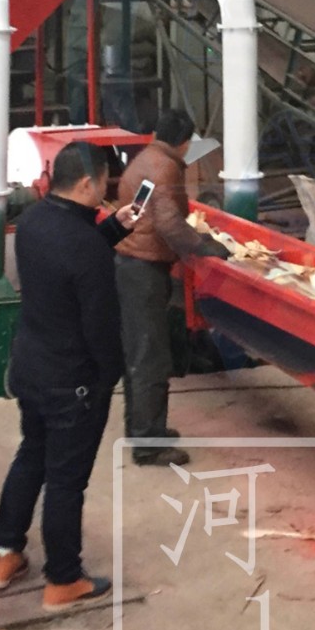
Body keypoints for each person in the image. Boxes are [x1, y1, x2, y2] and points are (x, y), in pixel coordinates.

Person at [0, 143, 139, 609]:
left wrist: (113, 227)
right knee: (66, 481)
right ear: (88, 183)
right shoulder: (86, 247)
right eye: (105, 183)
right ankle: (63, 578)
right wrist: (110, 375)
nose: (106, 191)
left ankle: (4, 553)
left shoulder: (32, 221)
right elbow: (100, 325)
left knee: (31, 455)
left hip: (30, 366)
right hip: (71, 380)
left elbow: (68, 258)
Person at [115, 109, 232, 467]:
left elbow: (142, 211)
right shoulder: (165, 167)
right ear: (184, 142)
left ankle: (142, 429)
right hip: (144, 270)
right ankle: (148, 445)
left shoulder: (144, 161)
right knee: (151, 356)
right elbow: (167, 221)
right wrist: (202, 246)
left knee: (139, 353)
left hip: (131, 264)